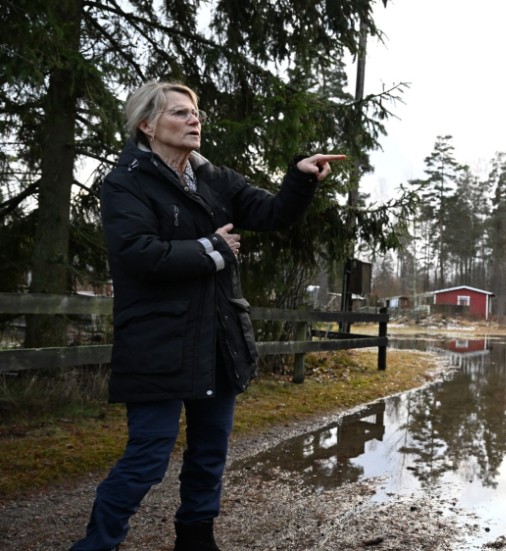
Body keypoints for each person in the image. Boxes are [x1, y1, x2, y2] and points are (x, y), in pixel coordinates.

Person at [70, 81, 345, 551]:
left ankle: (196, 539)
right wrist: (212, 248)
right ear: (147, 124)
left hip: (217, 340)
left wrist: (299, 178)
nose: (194, 120)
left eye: (195, 113)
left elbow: (273, 213)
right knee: (148, 456)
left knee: (209, 452)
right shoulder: (125, 183)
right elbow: (139, 254)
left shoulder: (216, 178)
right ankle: (97, 544)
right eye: (179, 113)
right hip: (158, 343)